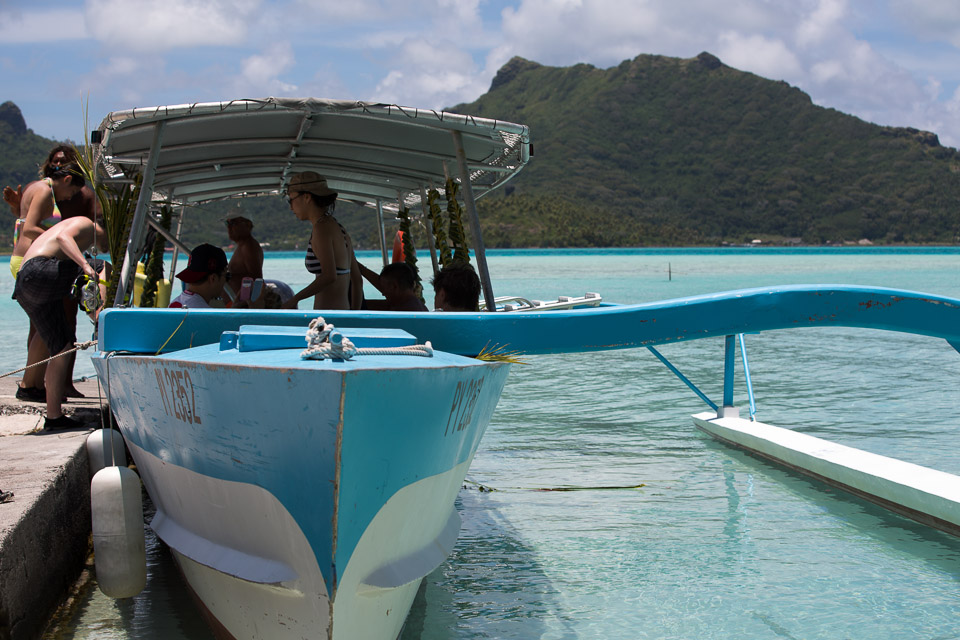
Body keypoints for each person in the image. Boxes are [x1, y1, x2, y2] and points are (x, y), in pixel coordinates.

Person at [13, 216, 109, 430]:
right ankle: (101, 318)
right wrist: (84, 265)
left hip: (26, 286)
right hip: (37, 272)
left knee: (62, 348)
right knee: (102, 266)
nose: (105, 246)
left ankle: (54, 418)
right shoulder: (87, 223)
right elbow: (63, 236)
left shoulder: (83, 237)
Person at [282, 172, 362, 310]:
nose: (290, 207)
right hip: (343, 312)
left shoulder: (321, 229)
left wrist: (294, 299)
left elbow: (329, 276)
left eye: (291, 200)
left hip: (327, 317)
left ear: (306, 197)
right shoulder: (338, 227)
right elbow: (357, 280)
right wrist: (354, 316)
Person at [169, 244, 229, 309]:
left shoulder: (175, 303)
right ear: (213, 278)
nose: (226, 281)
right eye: (226, 276)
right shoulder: (205, 314)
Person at [359, 261, 428, 311]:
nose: (383, 294)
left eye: (384, 288)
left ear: (394, 286)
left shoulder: (403, 309)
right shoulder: (415, 305)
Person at [224, 215, 263, 294]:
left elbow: (256, 280)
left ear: (248, 225)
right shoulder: (243, 245)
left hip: (242, 304)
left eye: (233, 223)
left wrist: (226, 277)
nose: (229, 227)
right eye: (227, 223)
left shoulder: (248, 246)